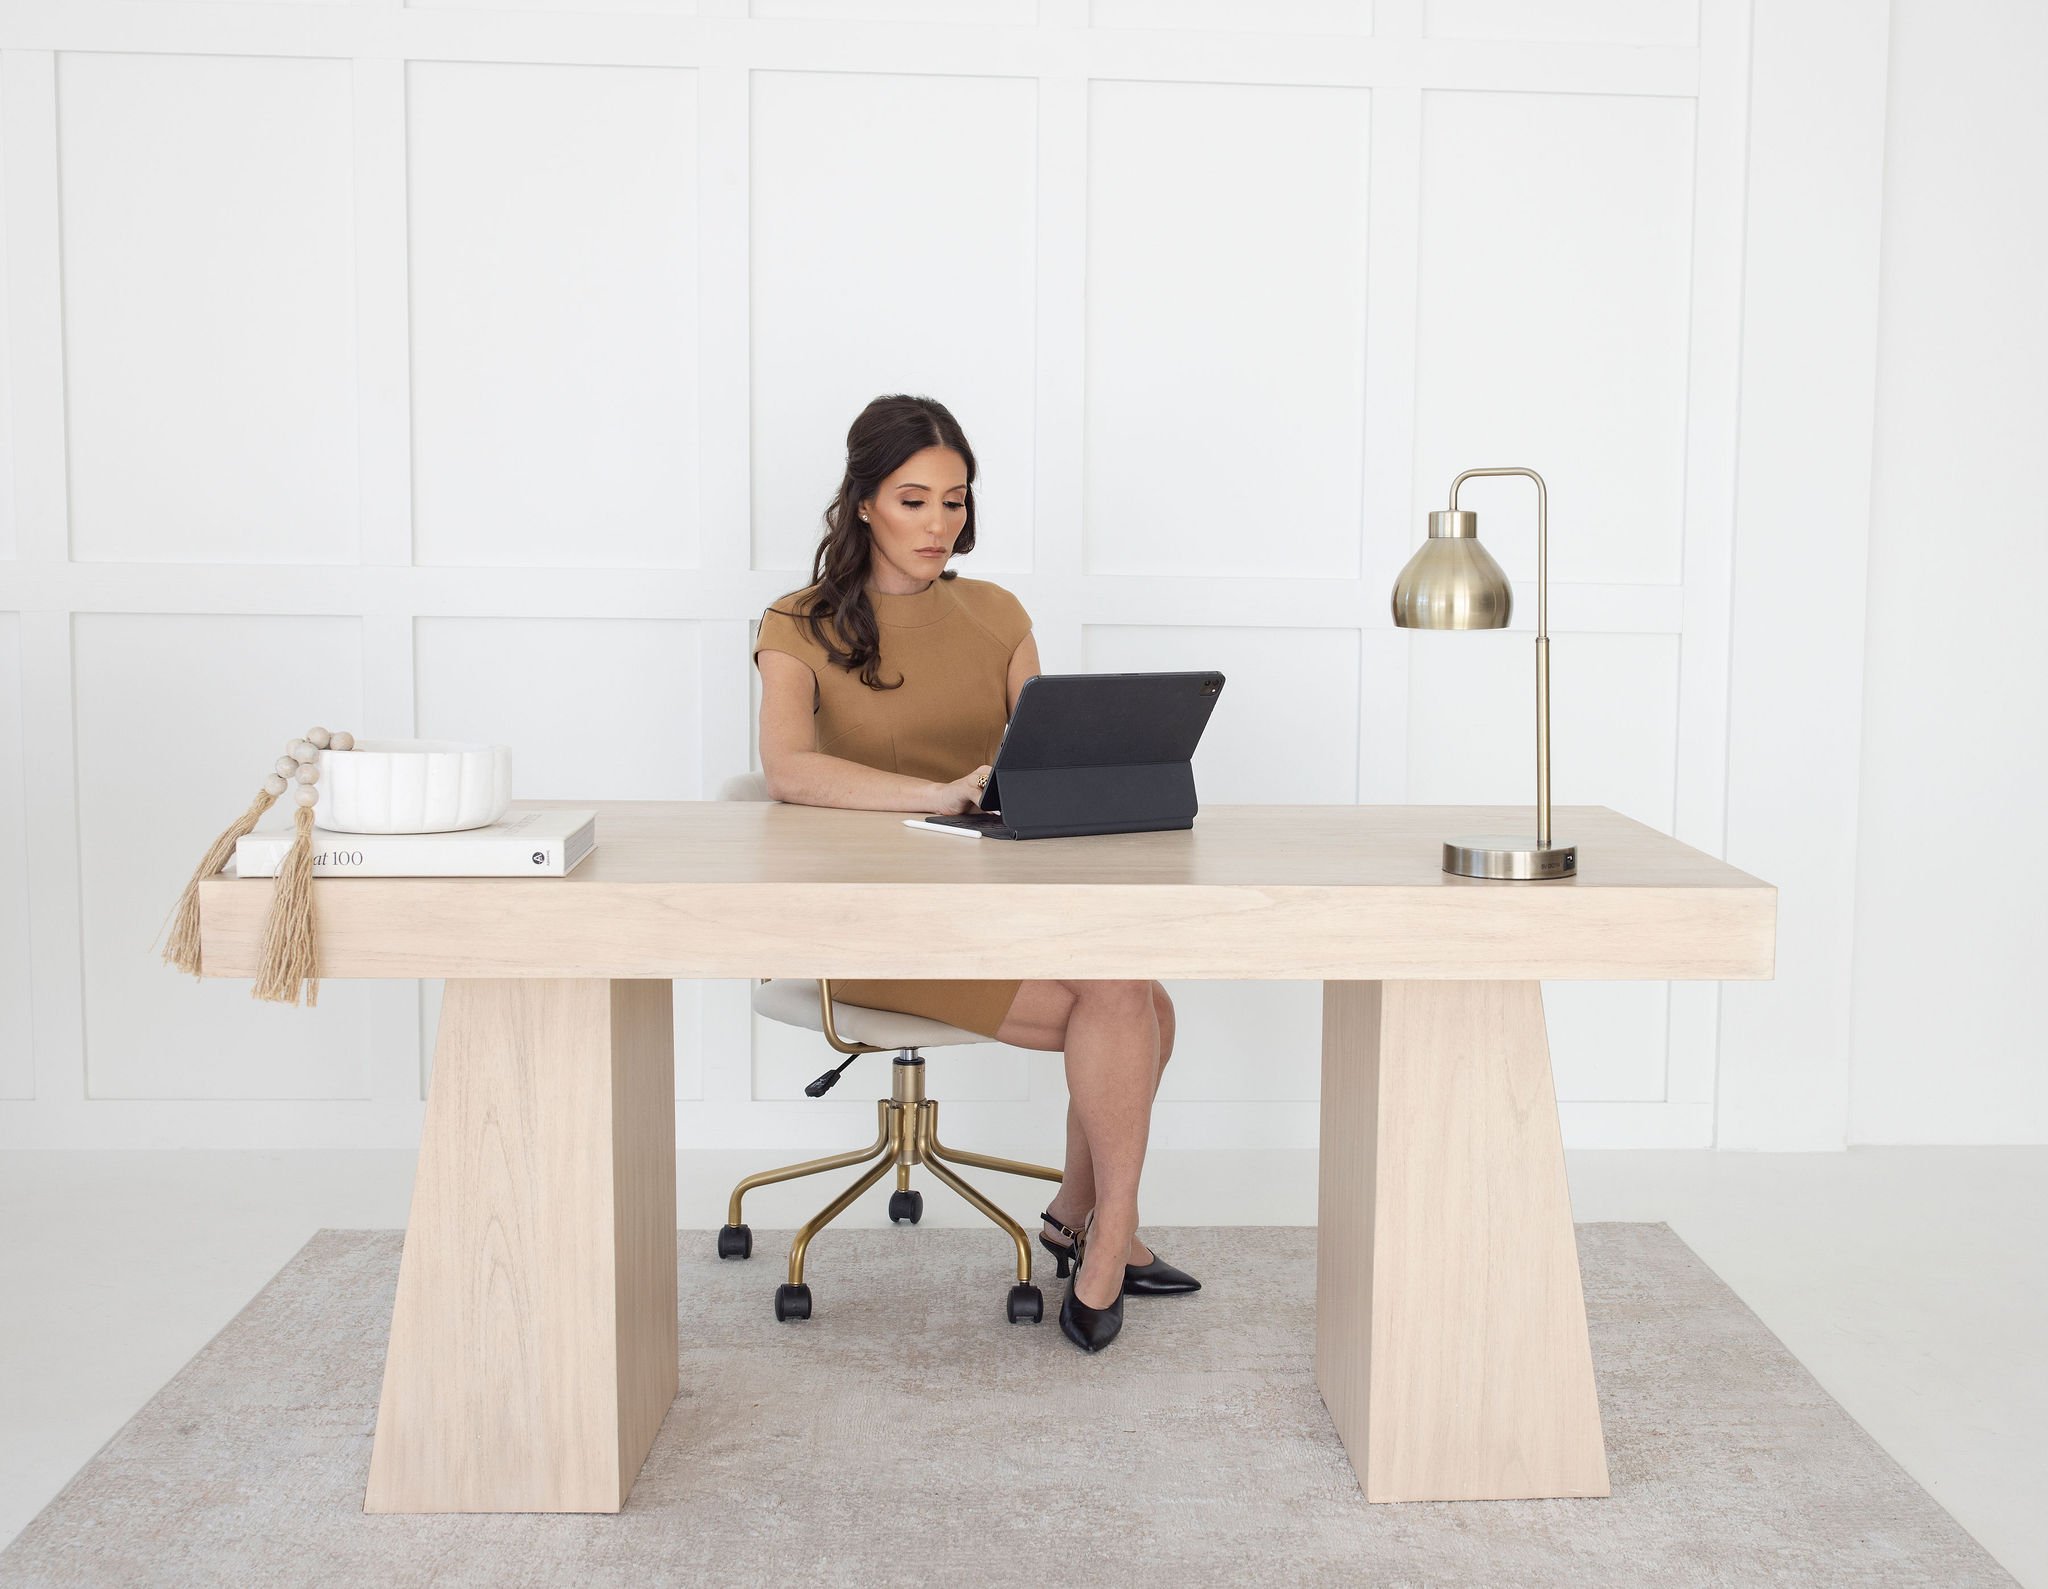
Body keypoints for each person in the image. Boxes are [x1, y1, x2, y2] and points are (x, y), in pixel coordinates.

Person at [753, 393, 1199, 1355]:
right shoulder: (796, 622)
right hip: (862, 925)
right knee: (1131, 1002)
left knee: (1147, 1000)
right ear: (864, 501)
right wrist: (938, 793)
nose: (937, 523)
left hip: (996, 905)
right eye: (913, 500)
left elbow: (1038, 751)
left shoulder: (996, 611)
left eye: (954, 501)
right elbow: (788, 770)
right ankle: (1101, 1236)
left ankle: (1088, 1221)